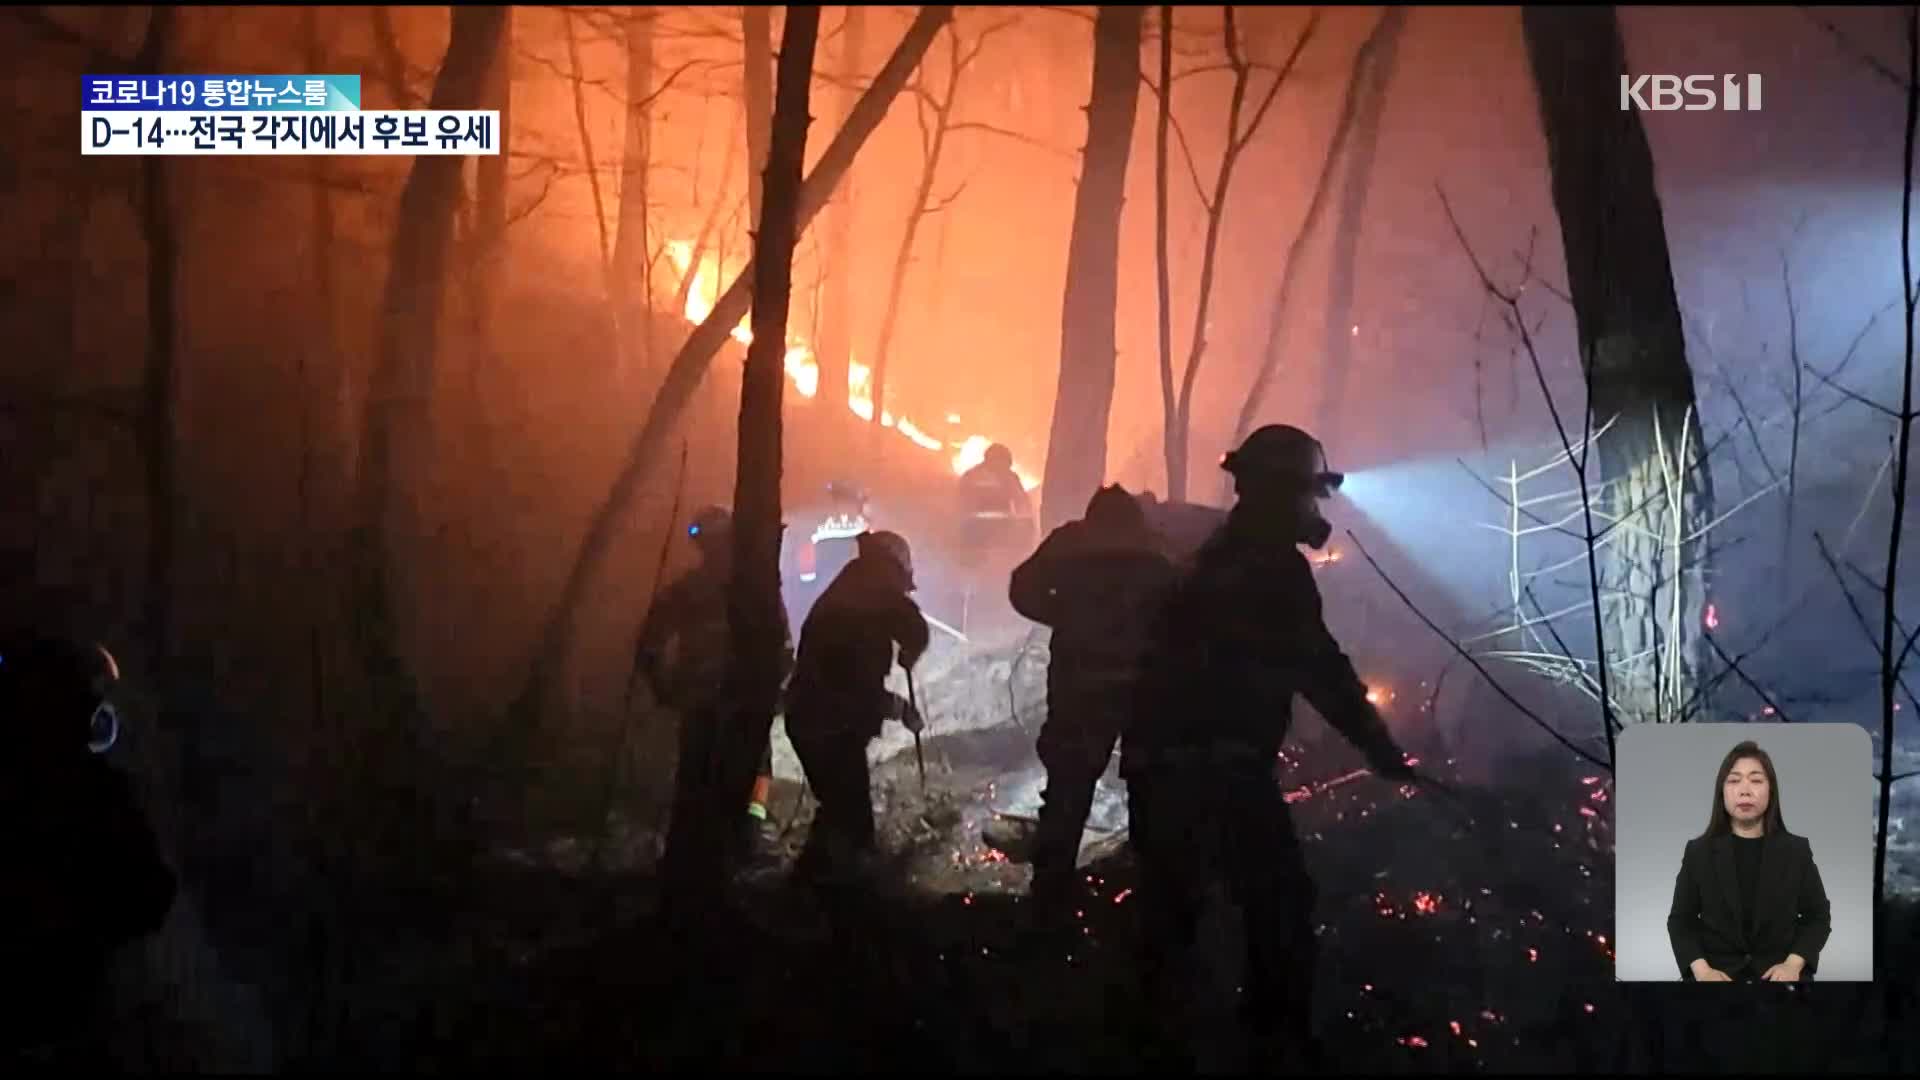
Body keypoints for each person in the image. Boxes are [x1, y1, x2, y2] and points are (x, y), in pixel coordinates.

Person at [1126, 423, 1415, 1071]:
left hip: (1162, 761)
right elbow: (1319, 666)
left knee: (1172, 913)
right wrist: (1378, 747)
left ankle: (1155, 1041)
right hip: (1218, 765)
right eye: (1308, 496)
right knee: (1279, 903)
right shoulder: (1268, 567)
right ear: (1280, 495)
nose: (1316, 511)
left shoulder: (1219, 556)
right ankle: (1274, 1045)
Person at [1, 631, 176, 1066]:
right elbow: (151, 896)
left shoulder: (93, 793)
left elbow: (150, 895)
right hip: (67, 1025)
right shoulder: (97, 793)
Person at [1007, 484, 1178, 926]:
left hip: (1079, 686)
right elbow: (1185, 610)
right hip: (1146, 693)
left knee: (1068, 789)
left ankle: (1049, 895)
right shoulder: (1155, 548)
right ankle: (1150, 897)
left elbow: (1021, 590)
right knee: (1149, 790)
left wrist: (1064, 616)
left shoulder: (1069, 543)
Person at [633, 506, 793, 857]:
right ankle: (742, 834)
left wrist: (663, 686)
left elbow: (649, 644)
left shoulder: (692, 590)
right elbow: (783, 646)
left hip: (712, 698)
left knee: (707, 768)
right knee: (745, 765)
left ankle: (715, 838)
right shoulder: (754, 589)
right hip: (728, 699)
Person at [784, 530, 930, 886]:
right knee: (852, 822)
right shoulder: (873, 589)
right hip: (827, 725)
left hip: (810, 720)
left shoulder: (853, 588)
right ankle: (845, 902)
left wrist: (908, 649)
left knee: (837, 811)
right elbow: (851, 686)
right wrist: (900, 702)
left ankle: (807, 885)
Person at [1667, 740, 1831, 984]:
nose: (1745, 790)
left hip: (1780, 976)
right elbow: (1681, 922)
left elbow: (1817, 917)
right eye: (1734, 781)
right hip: (1715, 975)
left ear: (1771, 790)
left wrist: (1792, 964)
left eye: (1756, 780)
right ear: (1721, 792)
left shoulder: (1796, 851)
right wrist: (1703, 972)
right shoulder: (1698, 852)